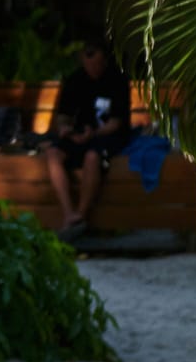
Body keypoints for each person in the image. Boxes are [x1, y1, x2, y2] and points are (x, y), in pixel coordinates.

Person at [43, 36, 134, 238]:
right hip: (79, 135)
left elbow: (116, 123)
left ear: (105, 61)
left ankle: (80, 217)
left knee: (92, 157)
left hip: (106, 136)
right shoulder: (74, 80)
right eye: (88, 63)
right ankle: (69, 213)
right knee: (53, 153)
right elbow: (63, 116)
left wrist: (93, 134)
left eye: (97, 63)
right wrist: (66, 129)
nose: (92, 68)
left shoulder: (117, 81)